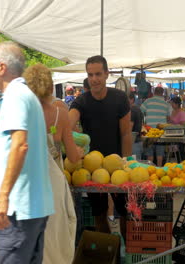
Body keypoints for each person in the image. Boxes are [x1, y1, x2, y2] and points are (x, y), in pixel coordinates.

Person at [0, 41, 54, 264]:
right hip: (32, 207)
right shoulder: (26, 96)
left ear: (2, 67)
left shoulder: (15, 96)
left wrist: (2, 196)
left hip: (18, 209)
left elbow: (20, 145)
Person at [23, 63, 82, 264]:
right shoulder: (60, 113)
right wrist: (80, 152)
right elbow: (73, 157)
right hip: (52, 182)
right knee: (56, 241)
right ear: (50, 87)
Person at [69, 55, 131, 236]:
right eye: (90, 75)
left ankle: (126, 253)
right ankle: (108, 251)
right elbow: (68, 124)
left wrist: (127, 161)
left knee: (125, 213)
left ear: (106, 74)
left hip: (117, 164)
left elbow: (126, 133)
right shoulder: (81, 101)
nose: (94, 79)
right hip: (92, 167)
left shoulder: (119, 98)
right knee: (99, 213)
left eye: (98, 74)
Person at [140, 86, 169, 166]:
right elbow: (169, 117)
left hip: (149, 131)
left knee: (150, 154)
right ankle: (159, 169)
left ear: (154, 92)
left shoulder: (148, 101)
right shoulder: (166, 104)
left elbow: (140, 111)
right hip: (160, 132)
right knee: (160, 153)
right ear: (162, 93)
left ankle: (150, 169)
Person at [129, 92, 144, 159]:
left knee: (133, 166)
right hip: (138, 142)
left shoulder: (132, 110)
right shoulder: (138, 109)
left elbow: (130, 127)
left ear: (131, 100)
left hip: (133, 143)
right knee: (137, 166)